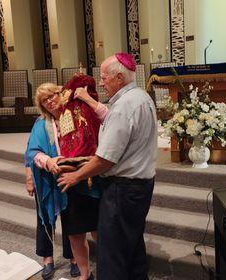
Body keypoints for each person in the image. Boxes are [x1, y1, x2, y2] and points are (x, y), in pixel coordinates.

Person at [58, 53, 158, 280]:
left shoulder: (124, 106)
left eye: (104, 78)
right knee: (132, 249)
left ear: (119, 77)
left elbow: (106, 159)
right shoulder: (141, 97)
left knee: (112, 256)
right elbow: (112, 125)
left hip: (123, 189)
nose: (101, 83)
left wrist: (76, 176)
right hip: (139, 186)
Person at [27, 79, 108, 280]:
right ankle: (84, 274)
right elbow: (32, 152)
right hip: (65, 185)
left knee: (99, 231)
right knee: (74, 233)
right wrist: (48, 161)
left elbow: (98, 127)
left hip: (90, 178)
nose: (49, 101)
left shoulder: (76, 112)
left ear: (60, 93)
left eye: (51, 95)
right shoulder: (42, 124)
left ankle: (108, 272)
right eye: (44, 100)